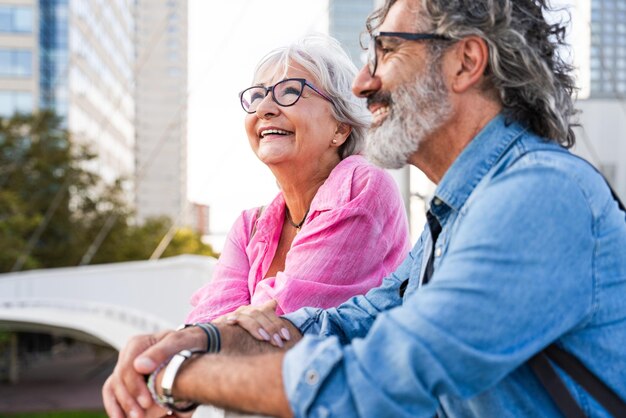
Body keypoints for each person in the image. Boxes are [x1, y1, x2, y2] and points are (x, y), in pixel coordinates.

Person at [103, 1, 626, 417]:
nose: (361, 83)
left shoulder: (539, 197)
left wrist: (177, 374)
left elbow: (382, 380)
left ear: (466, 62)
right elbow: (353, 320)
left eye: (389, 51)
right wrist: (199, 338)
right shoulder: (457, 216)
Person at [184, 35, 410, 331]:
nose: (264, 108)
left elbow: (280, 323)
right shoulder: (249, 227)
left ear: (341, 128)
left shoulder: (361, 184)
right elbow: (204, 327)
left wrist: (212, 336)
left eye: (290, 92)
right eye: (257, 96)